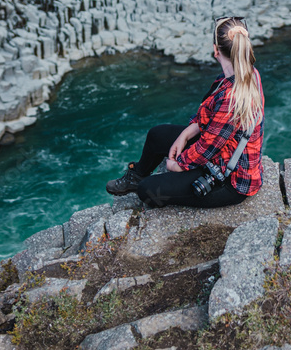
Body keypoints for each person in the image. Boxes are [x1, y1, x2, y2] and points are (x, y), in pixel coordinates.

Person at [106, 17, 264, 208]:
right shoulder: (244, 73)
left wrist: (177, 165)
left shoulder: (231, 98)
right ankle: (137, 175)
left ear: (216, 50)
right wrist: (185, 134)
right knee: (157, 135)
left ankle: (151, 185)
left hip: (229, 181)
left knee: (147, 190)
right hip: (222, 153)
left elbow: (207, 148)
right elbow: (210, 121)